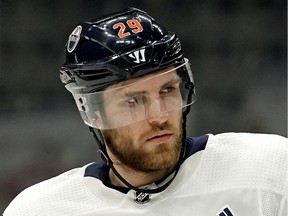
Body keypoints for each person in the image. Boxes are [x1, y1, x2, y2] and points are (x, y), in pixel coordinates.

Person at [3, 7, 287, 216]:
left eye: (167, 91)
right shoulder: (41, 210)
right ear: (94, 113)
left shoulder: (269, 169)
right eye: (134, 100)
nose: (160, 116)